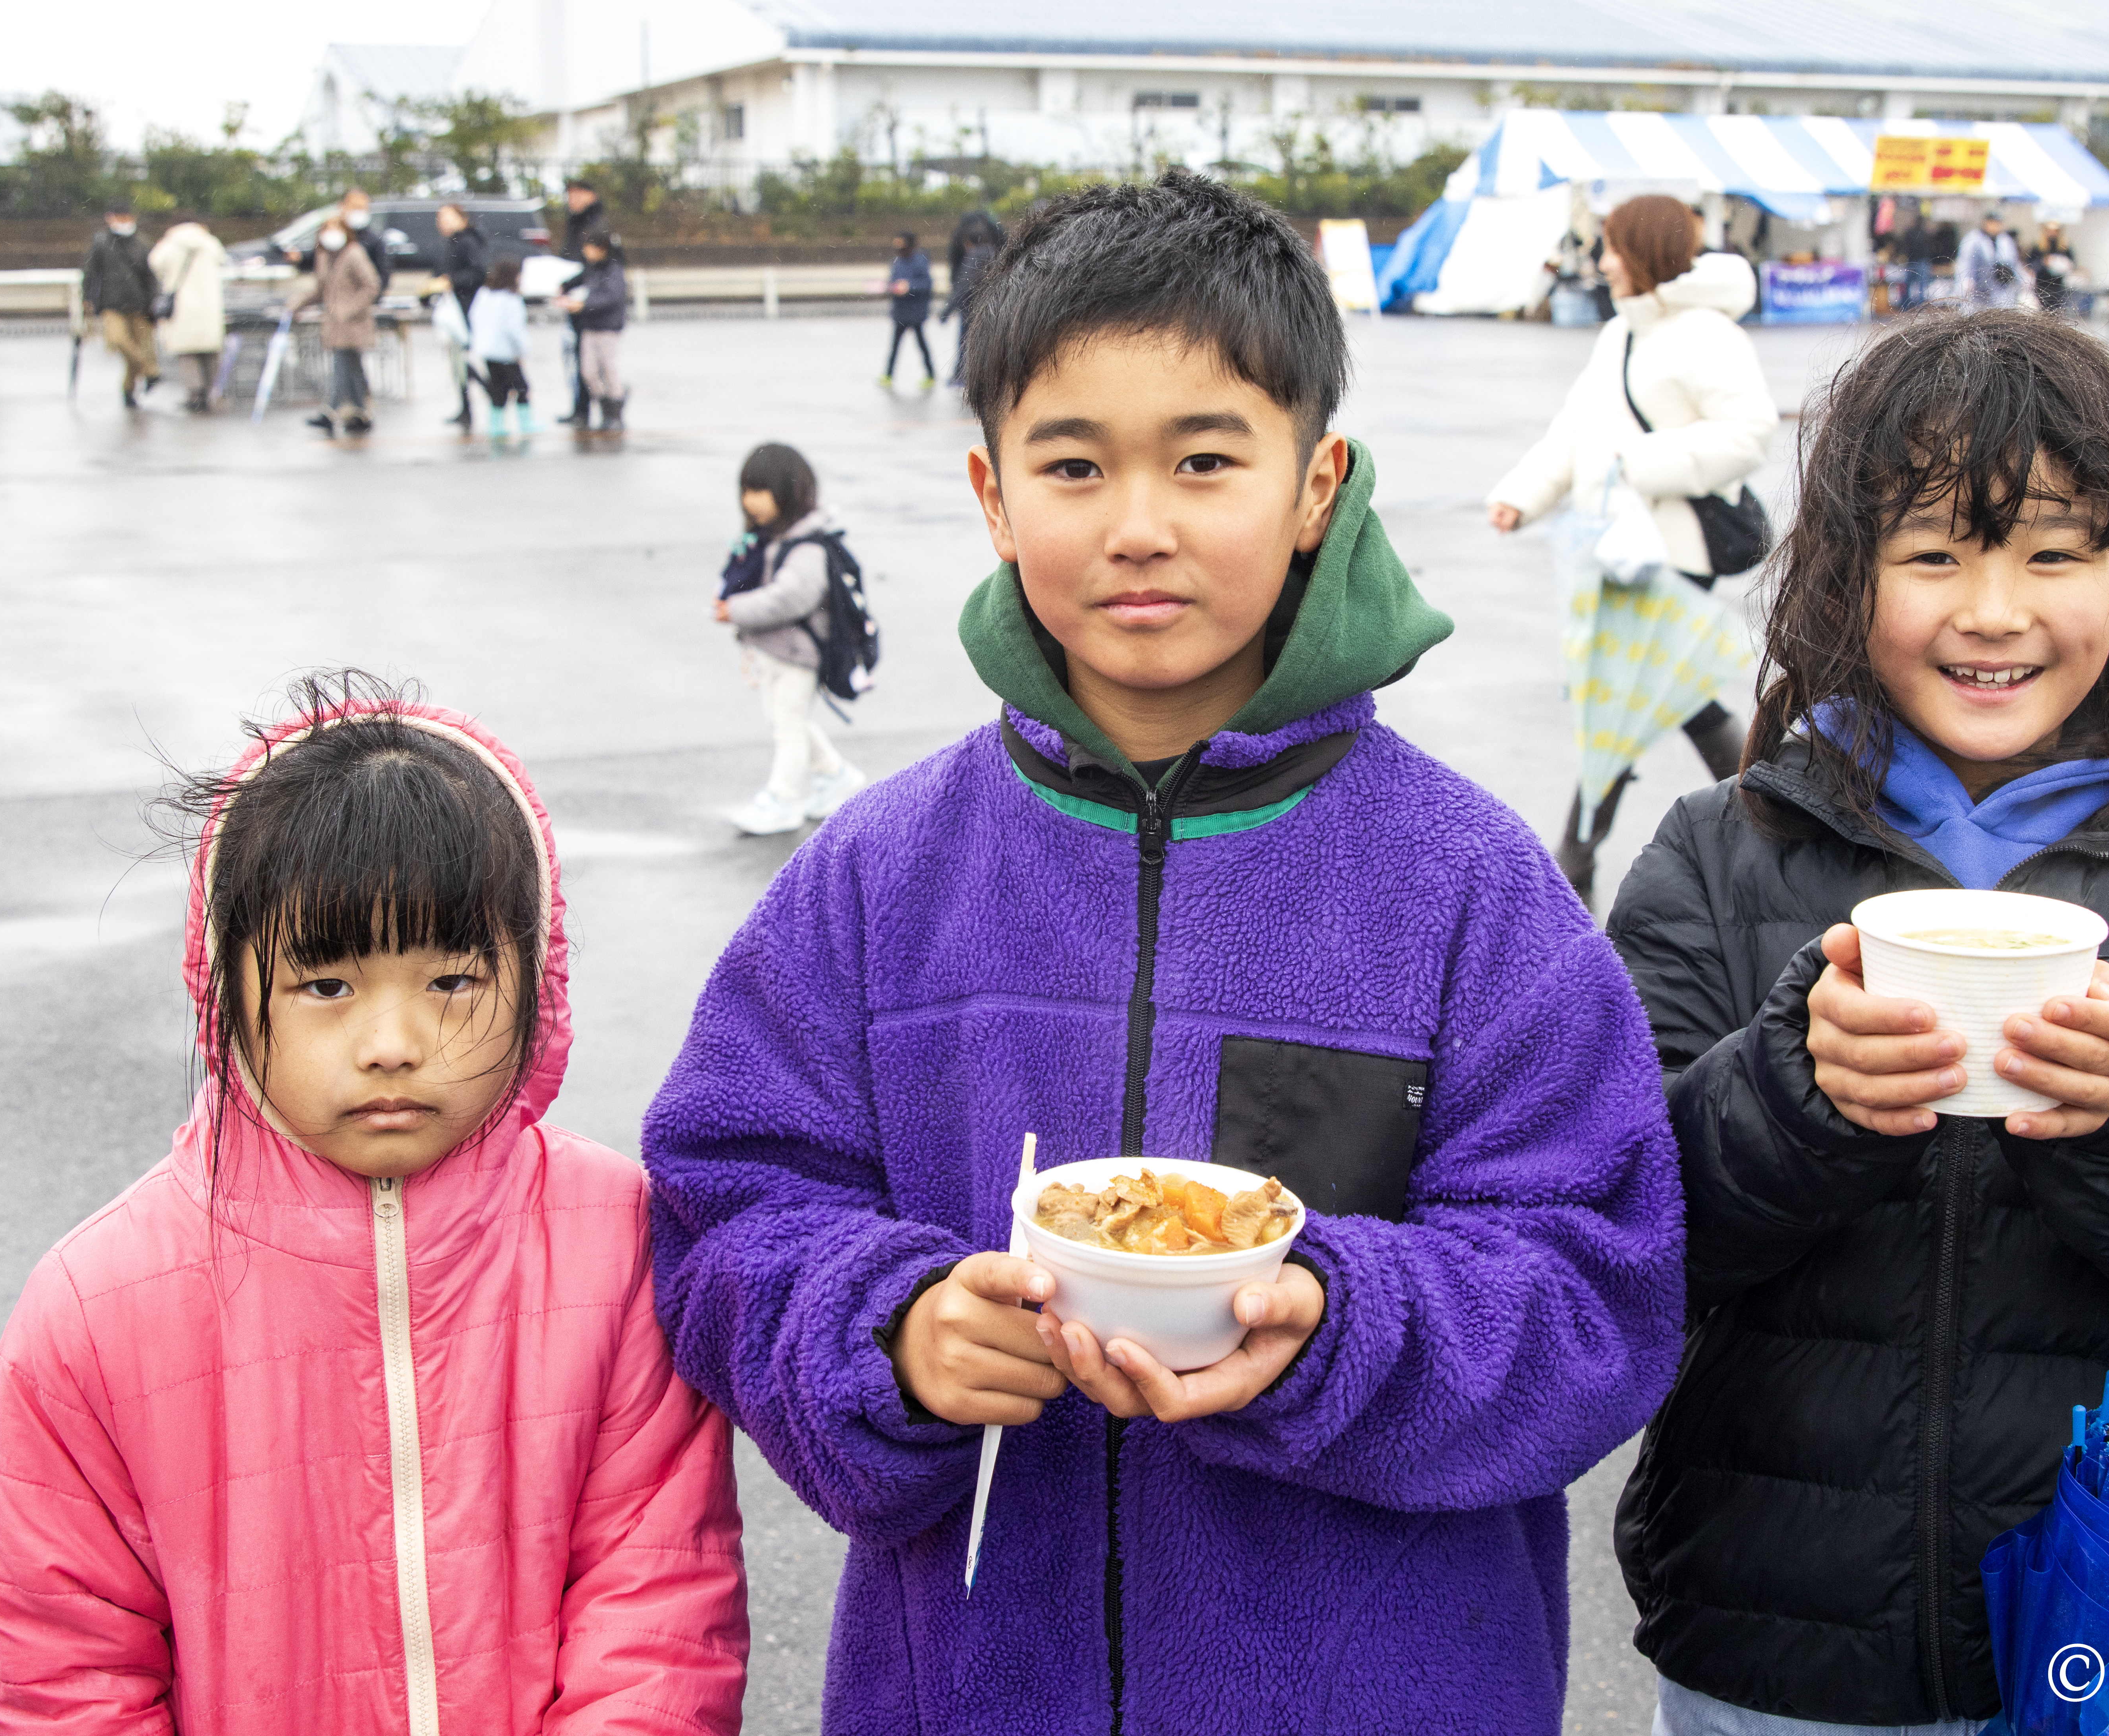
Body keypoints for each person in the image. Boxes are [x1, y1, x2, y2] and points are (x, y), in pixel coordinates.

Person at [641, 170, 1685, 1736]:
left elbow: (1599, 1282)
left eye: (1207, 461)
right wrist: (893, 1335)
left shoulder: (1468, 889)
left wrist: (1342, 1325)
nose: (1141, 528)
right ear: (996, 498)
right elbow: (726, 1215)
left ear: (1317, 482)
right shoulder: (877, 882)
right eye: (1075, 466)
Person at [1606, 310, 2109, 1733]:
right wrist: (1799, 1097)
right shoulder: (1719, 856)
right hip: (1779, 1645)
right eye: (1934, 554)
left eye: (2050, 552)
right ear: (1851, 583)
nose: (1993, 610)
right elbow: (1618, 1229)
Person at [0, 673, 749, 1732]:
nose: (392, 1041)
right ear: (223, 983)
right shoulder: (95, 1307)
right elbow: (67, 1670)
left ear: (540, 972)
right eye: (327, 985)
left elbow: (655, 1605)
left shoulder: (618, 1244)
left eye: (453, 980)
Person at [1487, 193, 1779, 901]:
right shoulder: (1620, 333)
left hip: (1667, 550)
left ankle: (1574, 861)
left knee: (1619, 696)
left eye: (1613, 248)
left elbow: (1749, 433)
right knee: (1655, 693)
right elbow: (1574, 429)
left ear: (1643, 252)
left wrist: (1638, 463)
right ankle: (1775, 814)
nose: (1603, 261)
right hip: (1609, 546)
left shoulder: (1706, 335)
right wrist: (1523, 493)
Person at [713, 442, 868, 834]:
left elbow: (789, 598)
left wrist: (738, 609)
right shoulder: (776, 537)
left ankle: (782, 799)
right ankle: (836, 775)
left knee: (788, 726)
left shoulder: (808, 546)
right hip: (777, 652)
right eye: (746, 491)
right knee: (788, 721)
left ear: (788, 492)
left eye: (759, 491)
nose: (751, 501)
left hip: (799, 654)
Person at [292, 211, 381, 436]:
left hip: (352, 323)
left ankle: (331, 411)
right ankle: (361, 411)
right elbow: (322, 290)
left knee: (342, 365)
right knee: (352, 366)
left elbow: (371, 286)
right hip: (334, 323)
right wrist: (299, 304)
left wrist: (349, 309)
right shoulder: (324, 257)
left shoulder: (354, 254)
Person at [81, 198, 160, 409]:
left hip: (140, 304)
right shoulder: (101, 243)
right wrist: (87, 298)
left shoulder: (142, 243)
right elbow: (90, 272)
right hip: (111, 303)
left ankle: (128, 390)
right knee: (118, 340)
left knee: (138, 344)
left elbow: (150, 276)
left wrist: (154, 301)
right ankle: (150, 370)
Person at [145, 210, 227, 413]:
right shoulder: (209, 242)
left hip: (183, 307)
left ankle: (195, 394)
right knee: (210, 350)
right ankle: (209, 392)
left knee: (187, 352)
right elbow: (223, 260)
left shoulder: (170, 244)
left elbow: (154, 263)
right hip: (210, 306)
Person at [562, 228, 629, 432]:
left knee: (609, 369)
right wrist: (563, 288)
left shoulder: (614, 270)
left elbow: (612, 298)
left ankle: (615, 413)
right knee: (589, 372)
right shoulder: (592, 269)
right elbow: (577, 281)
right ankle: (605, 407)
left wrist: (584, 305)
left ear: (600, 248)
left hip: (607, 327)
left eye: (589, 247)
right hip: (589, 326)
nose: (585, 252)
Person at [433, 201, 492, 428]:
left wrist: (451, 282)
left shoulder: (468, 242)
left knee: (467, 357)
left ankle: (490, 389)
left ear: (462, 219)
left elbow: (479, 273)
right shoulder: (453, 243)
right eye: (441, 220)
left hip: (468, 307)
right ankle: (468, 405)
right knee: (460, 359)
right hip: (456, 308)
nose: (444, 224)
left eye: (448, 218)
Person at [467, 254, 538, 437]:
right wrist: (522, 350)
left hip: (487, 351)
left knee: (498, 389)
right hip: (507, 353)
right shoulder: (511, 300)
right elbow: (514, 329)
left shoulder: (484, 294)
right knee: (522, 387)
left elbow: (474, 317)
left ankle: (496, 426)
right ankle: (526, 424)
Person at [557, 177, 606, 425]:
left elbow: (594, 266)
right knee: (578, 355)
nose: (572, 200)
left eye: (577, 194)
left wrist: (570, 283)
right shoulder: (576, 223)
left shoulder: (596, 225)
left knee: (592, 358)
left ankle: (601, 408)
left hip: (588, 300)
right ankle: (581, 407)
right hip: (575, 296)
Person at [942, 207, 1005, 390]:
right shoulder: (994, 242)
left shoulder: (972, 250)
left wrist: (949, 307)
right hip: (992, 301)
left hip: (971, 304)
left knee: (966, 339)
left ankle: (963, 375)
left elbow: (960, 279)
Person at [878, 229, 935, 388]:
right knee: (895, 346)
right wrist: (890, 290)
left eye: (903, 248)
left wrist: (909, 287)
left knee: (922, 344)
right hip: (901, 312)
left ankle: (931, 375)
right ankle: (888, 375)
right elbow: (893, 282)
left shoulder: (921, 261)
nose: (900, 252)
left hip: (916, 312)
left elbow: (927, 285)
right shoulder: (896, 262)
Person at [1958, 208, 2029, 309]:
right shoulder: (1973, 239)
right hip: (1979, 290)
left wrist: (2023, 280)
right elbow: (1966, 262)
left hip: (2001, 289)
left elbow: (2014, 263)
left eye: (1998, 223)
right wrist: (1965, 280)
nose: (1995, 226)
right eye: (1992, 223)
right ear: (1986, 223)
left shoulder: (2005, 240)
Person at [1898, 210, 1936, 309]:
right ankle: (1921, 308)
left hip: (1912, 261)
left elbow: (1904, 245)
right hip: (1922, 262)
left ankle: (1905, 307)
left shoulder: (1909, 232)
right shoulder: (1925, 233)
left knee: (1908, 286)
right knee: (1922, 288)